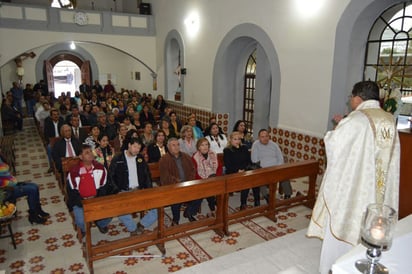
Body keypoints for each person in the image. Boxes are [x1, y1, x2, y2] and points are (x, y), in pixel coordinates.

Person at [306, 80, 400, 274]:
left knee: (346, 223)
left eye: (351, 97)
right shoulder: (389, 119)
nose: (350, 101)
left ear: (358, 97)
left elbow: (336, 146)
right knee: (373, 227)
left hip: (356, 194)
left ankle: (336, 268)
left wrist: (332, 132)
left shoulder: (356, 119)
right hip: (379, 192)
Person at [109, 137, 161, 242]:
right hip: (124, 191)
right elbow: (110, 177)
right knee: (122, 210)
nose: (137, 150)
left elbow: (147, 175)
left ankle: (142, 224)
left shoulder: (140, 158)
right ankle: (132, 228)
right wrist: (116, 191)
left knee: (158, 207)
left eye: (139, 147)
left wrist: (149, 190)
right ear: (129, 145)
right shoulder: (118, 158)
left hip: (139, 190)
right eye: (135, 147)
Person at [67, 144, 111, 235]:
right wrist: (83, 203)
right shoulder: (74, 172)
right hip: (80, 201)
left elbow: (104, 187)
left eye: (90, 151)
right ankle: (83, 229)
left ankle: (100, 223)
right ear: (80, 156)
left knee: (110, 212)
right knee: (81, 221)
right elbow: (72, 192)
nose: (90, 154)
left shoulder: (100, 168)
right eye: (87, 153)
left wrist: (97, 200)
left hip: (96, 198)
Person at [0, 152, 49, 224]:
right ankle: (33, 215)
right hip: (4, 191)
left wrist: (13, 181)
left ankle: (38, 210)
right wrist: (10, 183)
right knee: (32, 190)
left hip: (11, 185)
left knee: (34, 186)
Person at [159, 138, 197, 224]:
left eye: (178, 145)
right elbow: (165, 176)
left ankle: (189, 212)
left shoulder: (186, 156)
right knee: (176, 199)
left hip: (188, 183)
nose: (176, 147)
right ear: (168, 147)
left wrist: (189, 181)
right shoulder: (164, 160)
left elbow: (193, 170)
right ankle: (176, 219)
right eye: (173, 145)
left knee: (199, 193)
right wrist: (178, 182)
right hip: (173, 186)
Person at [251, 129, 293, 200]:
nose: (265, 138)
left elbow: (280, 158)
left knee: (285, 175)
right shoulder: (256, 145)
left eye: (266, 136)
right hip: (263, 169)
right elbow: (254, 160)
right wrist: (264, 168)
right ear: (259, 138)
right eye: (262, 137)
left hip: (276, 168)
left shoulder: (274, 145)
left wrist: (277, 167)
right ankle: (267, 196)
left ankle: (287, 195)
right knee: (260, 179)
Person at [224, 131, 260, 209]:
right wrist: (238, 170)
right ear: (230, 140)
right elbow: (228, 165)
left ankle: (257, 200)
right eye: (235, 139)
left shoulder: (244, 148)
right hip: (233, 172)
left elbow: (249, 161)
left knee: (254, 178)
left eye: (239, 139)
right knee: (247, 180)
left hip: (245, 171)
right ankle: (243, 203)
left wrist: (245, 169)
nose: (237, 141)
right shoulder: (227, 150)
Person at [192, 138, 223, 217]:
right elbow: (195, 173)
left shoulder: (213, 153)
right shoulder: (195, 157)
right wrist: (206, 180)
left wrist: (217, 177)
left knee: (219, 185)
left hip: (215, 177)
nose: (205, 147)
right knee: (209, 187)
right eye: (202, 145)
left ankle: (216, 207)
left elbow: (219, 167)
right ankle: (213, 209)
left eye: (206, 144)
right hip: (201, 180)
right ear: (199, 147)